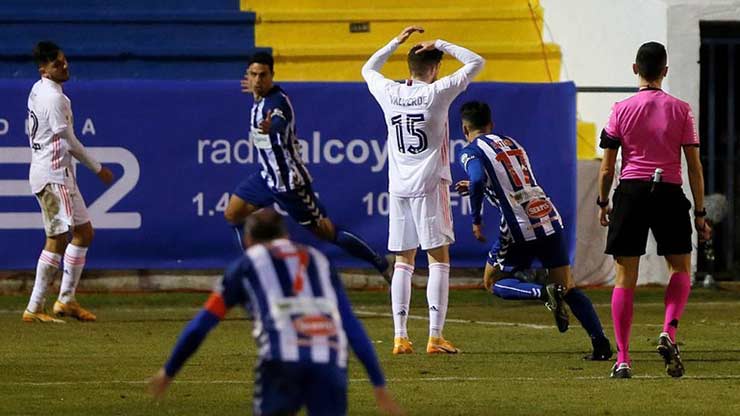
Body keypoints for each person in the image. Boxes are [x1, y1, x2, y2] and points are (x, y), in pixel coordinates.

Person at [149, 209, 403, 416]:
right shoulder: (319, 260)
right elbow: (350, 325)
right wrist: (378, 382)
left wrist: (169, 370)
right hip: (330, 361)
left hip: (281, 364)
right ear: (286, 233)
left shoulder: (245, 265)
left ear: (248, 240)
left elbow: (201, 325)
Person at [455, 101, 613, 361]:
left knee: (492, 281)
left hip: (519, 225)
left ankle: (541, 292)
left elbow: (477, 179)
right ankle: (601, 344)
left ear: (464, 129)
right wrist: (479, 186)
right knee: (568, 286)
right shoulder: (512, 143)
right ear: (491, 125)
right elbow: (509, 181)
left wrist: (476, 219)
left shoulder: (471, 151)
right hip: (548, 214)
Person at [362, 26, 484, 355]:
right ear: (435, 68)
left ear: (409, 68)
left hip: (399, 187)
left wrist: (394, 43)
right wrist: (442, 42)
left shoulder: (390, 92)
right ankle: (435, 335)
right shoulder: (437, 93)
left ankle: (400, 337)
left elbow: (367, 69)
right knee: (438, 259)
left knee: (403, 259)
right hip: (431, 185)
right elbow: (476, 62)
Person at [225, 52, 392, 282]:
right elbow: (260, 96)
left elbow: (279, 120)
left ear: (272, 75)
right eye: (253, 75)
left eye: (263, 75)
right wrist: (255, 91)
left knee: (327, 232)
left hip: (290, 183)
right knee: (233, 214)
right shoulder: (260, 97)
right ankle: (255, 274)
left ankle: (380, 262)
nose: (258, 79)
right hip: (267, 177)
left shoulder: (277, 102)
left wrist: (270, 127)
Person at [598, 41, 711, 379]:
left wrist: (604, 202)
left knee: (624, 277)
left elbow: (607, 168)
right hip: (668, 192)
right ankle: (669, 331)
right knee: (680, 269)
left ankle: (623, 359)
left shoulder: (620, 109)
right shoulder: (682, 110)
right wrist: (700, 213)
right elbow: (694, 166)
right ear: (665, 71)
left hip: (631, 192)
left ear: (635, 69)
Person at [22, 41, 114, 323]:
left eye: (64, 60)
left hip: (61, 174)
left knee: (84, 233)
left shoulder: (41, 89)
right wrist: (98, 168)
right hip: (51, 176)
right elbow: (69, 141)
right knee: (57, 237)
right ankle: (34, 307)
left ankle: (66, 300)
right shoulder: (53, 98)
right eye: (58, 64)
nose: (65, 66)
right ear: (44, 70)